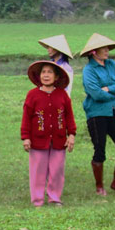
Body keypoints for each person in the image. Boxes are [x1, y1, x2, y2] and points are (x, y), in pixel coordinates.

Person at [80, 33, 115, 195]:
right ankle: (99, 186)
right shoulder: (88, 70)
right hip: (97, 114)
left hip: (114, 111)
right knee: (99, 150)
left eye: (107, 47)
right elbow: (96, 94)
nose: (107, 50)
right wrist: (113, 91)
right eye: (103, 48)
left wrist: (110, 89)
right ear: (94, 52)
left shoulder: (112, 64)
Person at [21, 61, 76, 206]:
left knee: (57, 170)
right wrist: (26, 137)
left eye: (50, 72)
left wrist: (71, 135)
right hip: (37, 140)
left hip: (58, 140)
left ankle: (54, 198)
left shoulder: (62, 95)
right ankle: (37, 200)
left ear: (56, 77)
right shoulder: (32, 95)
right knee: (38, 171)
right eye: (43, 72)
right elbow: (26, 117)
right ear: (39, 76)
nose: (46, 75)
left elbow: (69, 116)